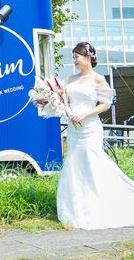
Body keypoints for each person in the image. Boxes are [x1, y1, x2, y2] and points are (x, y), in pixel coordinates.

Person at [57, 42, 134, 230]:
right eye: (73, 57)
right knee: (74, 164)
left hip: (90, 128)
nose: (74, 60)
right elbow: (65, 101)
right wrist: (59, 101)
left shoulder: (98, 79)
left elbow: (105, 104)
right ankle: (76, 210)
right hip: (73, 128)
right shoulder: (70, 79)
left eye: (76, 57)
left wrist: (85, 114)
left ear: (88, 57)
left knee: (92, 163)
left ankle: (106, 204)